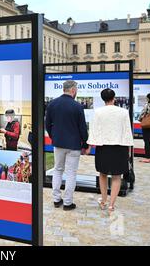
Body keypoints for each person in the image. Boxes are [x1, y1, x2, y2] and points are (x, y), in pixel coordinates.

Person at [88, 89, 134, 214]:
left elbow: (94, 130)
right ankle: (111, 205)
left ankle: (103, 201)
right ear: (114, 97)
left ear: (103, 99)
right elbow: (127, 132)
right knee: (117, 176)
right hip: (120, 147)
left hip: (103, 147)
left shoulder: (98, 112)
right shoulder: (123, 112)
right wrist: (129, 149)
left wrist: (90, 146)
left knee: (102, 174)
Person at [45, 80, 89, 211]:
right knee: (71, 173)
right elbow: (82, 128)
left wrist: (54, 137)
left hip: (58, 143)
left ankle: (56, 199)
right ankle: (68, 203)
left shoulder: (52, 104)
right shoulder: (77, 106)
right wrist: (85, 143)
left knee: (58, 170)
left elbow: (47, 125)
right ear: (73, 90)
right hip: (74, 145)